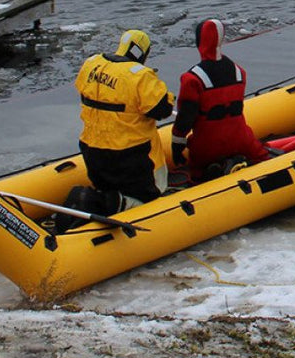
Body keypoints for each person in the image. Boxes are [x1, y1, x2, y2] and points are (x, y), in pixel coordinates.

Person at [66, 29, 174, 224]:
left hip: (92, 152)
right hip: (129, 157)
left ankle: (99, 198)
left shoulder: (92, 64)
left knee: (107, 184)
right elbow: (163, 109)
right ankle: (110, 203)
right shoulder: (140, 76)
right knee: (149, 199)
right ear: (143, 53)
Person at [170, 18, 270, 183]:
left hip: (207, 148)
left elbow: (184, 120)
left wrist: (176, 146)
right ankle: (240, 161)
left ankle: (208, 173)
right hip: (241, 141)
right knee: (260, 154)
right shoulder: (239, 72)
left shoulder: (191, 79)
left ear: (199, 41)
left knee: (196, 172)